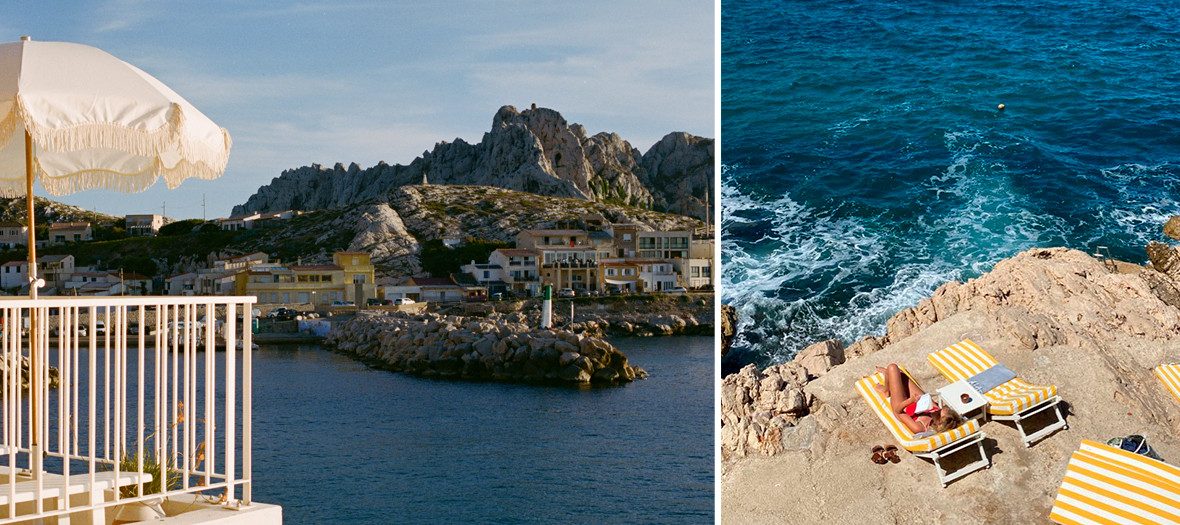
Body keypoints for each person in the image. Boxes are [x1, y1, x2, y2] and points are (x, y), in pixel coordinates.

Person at [873, 364, 963, 434]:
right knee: (900, 375)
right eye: (940, 409)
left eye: (938, 413)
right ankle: (889, 378)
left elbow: (898, 411)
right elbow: (935, 407)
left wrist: (910, 401)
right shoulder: (941, 417)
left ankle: (886, 390)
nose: (937, 410)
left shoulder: (919, 427)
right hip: (918, 404)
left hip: (902, 407)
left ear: (939, 424)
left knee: (893, 368)